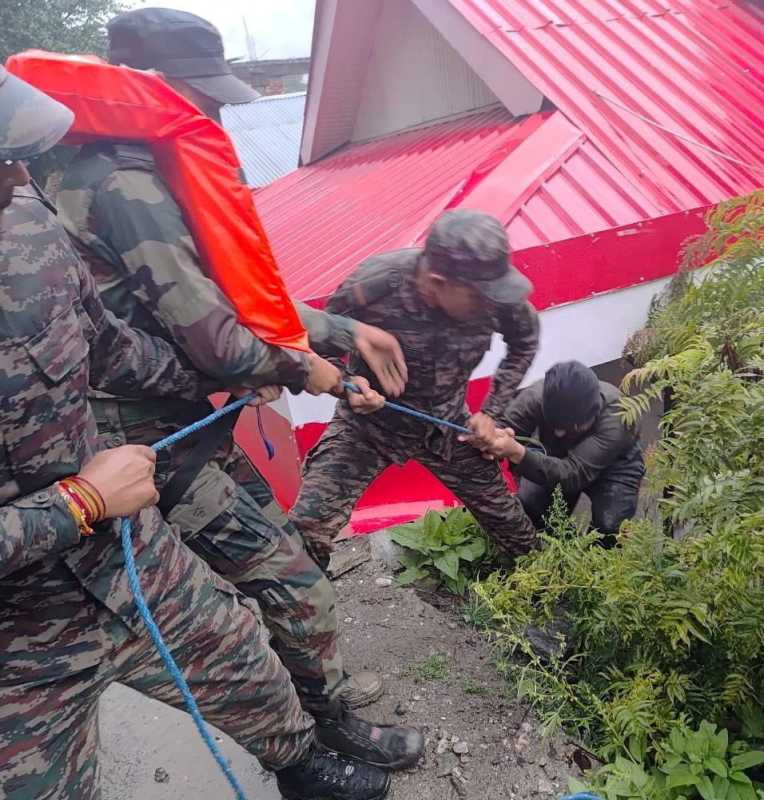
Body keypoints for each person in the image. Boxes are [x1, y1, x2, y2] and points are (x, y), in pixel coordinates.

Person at [0, 68, 393, 800]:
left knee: (243, 661)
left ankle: (303, 763)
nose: (22, 176)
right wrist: (80, 502)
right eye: (1, 162)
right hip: (19, 640)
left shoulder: (24, 224)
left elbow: (112, 346)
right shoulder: (115, 187)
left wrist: (234, 375)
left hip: (123, 551)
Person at [290, 208, 541, 566]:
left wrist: (491, 413)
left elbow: (524, 341)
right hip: (369, 424)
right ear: (438, 282)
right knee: (305, 529)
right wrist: (346, 385)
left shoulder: (491, 293)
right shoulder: (376, 284)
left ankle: (543, 585)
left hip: (448, 424)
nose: (491, 304)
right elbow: (320, 341)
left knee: (512, 525)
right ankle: (304, 599)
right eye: (478, 297)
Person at [466, 360, 645, 546]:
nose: (559, 433)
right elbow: (503, 425)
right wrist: (489, 436)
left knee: (610, 528)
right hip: (558, 458)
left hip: (615, 467)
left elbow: (573, 474)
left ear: (594, 413)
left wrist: (518, 453)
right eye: (555, 426)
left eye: (569, 428)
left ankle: (597, 556)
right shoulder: (536, 396)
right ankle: (566, 547)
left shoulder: (619, 416)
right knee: (532, 506)